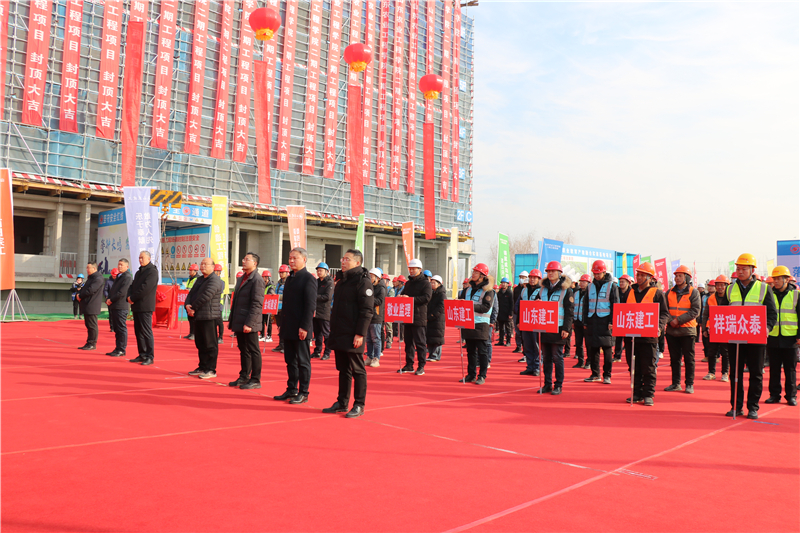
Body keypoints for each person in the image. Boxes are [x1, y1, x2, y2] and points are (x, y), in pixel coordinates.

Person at [722, 253, 778, 419]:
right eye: (738, 268)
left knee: (756, 373)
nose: (740, 272)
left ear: (752, 270)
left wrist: (767, 328)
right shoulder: (729, 289)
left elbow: (772, 314)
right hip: (735, 337)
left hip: (756, 337)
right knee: (735, 374)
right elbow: (722, 312)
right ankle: (736, 406)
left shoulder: (764, 288)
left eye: (744, 269)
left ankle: (753, 407)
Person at [322, 249, 374, 418]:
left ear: (357, 263)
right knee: (343, 369)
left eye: (347, 259)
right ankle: (342, 402)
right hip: (340, 332)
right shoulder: (342, 280)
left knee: (358, 370)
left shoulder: (363, 282)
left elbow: (367, 310)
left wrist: (360, 333)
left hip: (353, 334)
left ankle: (359, 404)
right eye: (342, 258)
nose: (343, 262)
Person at [273, 248, 316, 404]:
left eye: (295, 258)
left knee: (303, 361)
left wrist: (304, 327)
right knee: (290, 360)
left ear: (304, 259)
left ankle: (304, 392)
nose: (291, 261)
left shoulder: (308, 278)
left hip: (300, 328)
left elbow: (310, 305)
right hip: (288, 326)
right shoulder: (290, 278)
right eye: (290, 258)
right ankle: (292, 389)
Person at [625, 262, 671, 406]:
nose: (639, 277)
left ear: (650, 278)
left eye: (642, 275)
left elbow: (665, 314)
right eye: (638, 274)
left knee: (648, 367)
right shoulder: (630, 292)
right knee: (634, 366)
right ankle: (636, 393)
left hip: (649, 337)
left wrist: (659, 326)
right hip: (631, 336)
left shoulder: (657, 293)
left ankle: (648, 394)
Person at [228, 252, 266, 389]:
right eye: (243, 259)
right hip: (239, 319)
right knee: (243, 350)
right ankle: (244, 376)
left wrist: (249, 323)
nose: (243, 261)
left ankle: (255, 379)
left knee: (253, 350)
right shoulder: (242, 278)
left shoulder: (257, 279)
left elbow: (257, 304)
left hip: (250, 322)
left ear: (255, 263)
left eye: (247, 259)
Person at [535, 261, 574, 395]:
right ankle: (547, 384)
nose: (550, 273)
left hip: (559, 328)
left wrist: (566, 329)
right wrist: (537, 303)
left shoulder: (566, 289)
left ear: (559, 273)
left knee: (557, 357)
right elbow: (534, 306)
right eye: (548, 271)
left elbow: (569, 311)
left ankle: (558, 385)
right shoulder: (542, 289)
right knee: (546, 358)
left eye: (553, 271)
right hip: (544, 328)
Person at [664, 265, 701, 394]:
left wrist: (678, 321)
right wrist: (671, 321)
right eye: (676, 276)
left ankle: (689, 384)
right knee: (674, 359)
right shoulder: (669, 292)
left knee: (689, 359)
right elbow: (664, 309)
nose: (677, 278)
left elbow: (695, 311)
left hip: (687, 330)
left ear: (687, 278)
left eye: (680, 276)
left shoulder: (693, 292)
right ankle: (676, 383)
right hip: (671, 331)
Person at [185, 258, 224, 379]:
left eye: (205, 264)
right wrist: (187, 304)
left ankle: (211, 369)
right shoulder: (200, 279)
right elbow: (191, 294)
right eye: (201, 264)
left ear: (213, 267)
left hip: (209, 316)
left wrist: (193, 308)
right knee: (200, 343)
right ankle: (202, 366)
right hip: (198, 315)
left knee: (210, 344)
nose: (202, 266)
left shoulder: (215, 280)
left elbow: (206, 296)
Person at [765, 266, 798, 406]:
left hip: (790, 337)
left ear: (787, 279)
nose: (776, 281)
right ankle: (774, 395)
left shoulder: (796, 295)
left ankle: (791, 396)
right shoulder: (769, 294)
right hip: (773, 336)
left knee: (790, 369)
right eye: (774, 279)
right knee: (774, 368)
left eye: (779, 278)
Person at [583, 260, 619, 385]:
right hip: (592, 321)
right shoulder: (590, 286)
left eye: (599, 273)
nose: (597, 276)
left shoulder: (612, 286)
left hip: (606, 322)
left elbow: (615, 305)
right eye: (595, 273)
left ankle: (607, 375)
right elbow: (585, 305)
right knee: (593, 349)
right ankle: (595, 374)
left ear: (604, 272)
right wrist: (585, 321)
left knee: (607, 349)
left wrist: (612, 321)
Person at [459, 264, 495, 384]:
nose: (473, 274)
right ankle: (471, 374)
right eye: (473, 271)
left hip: (481, 325)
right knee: (470, 351)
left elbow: (485, 307)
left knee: (482, 352)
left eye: (476, 272)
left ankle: (482, 376)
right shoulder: (467, 290)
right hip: (468, 323)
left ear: (482, 276)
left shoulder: (489, 291)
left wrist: (469, 306)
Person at [397, 260, 431, 375]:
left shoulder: (425, 283)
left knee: (420, 343)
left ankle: (421, 366)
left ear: (419, 269)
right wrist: (401, 297)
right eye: (410, 269)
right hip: (407, 316)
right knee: (408, 343)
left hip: (419, 317)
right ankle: (409, 364)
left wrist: (410, 299)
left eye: (413, 269)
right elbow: (405, 295)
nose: (411, 271)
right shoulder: (408, 283)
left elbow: (426, 298)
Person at [126, 251, 159, 365]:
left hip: (145, 306)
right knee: (138, 331)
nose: (140, 260)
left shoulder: (152, 271)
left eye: (142, 258)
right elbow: (132, 286)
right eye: (139, 258)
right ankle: (142, 354)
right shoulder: (138, 272)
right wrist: (129, 297)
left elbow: (145, 289)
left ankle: (150, 356)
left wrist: (133, 298)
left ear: (149, 258)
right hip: (136, 305)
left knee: (146, 331)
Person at [702, 275, 731, 382]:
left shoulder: (731, 298)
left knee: (725, 352)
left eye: (722, 285)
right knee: (712, 352)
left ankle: (725, 373)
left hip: (726, 328)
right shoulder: (711, 298)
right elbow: (705, 314)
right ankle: (711, 372)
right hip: (713, 328)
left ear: (727, 286)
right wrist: (704, 329)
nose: (720, 287)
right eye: (718, 285)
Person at [517, 269, 542, 376]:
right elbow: (519, 306)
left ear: (539, 279)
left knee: (536, 346)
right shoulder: (524, 290)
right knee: (527, 345)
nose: (532, 279)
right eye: (531, 277)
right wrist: (518, 321)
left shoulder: (542, 291)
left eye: (535, 278)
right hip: (525, 321)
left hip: (537, 322)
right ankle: (530, 367)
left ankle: (537, 367)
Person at [105, 259, 132, 357]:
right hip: (114, 306)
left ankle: (121, 349)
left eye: (122, 265)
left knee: (121, 328)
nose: (119, 266)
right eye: (119, 264)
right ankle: (117, 348)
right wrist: (108, 298)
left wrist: (111, 299)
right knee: (116, 328)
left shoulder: (127, 277)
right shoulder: (119, 276)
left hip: (121, 306)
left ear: (127, 267)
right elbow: (112, 290)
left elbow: (122, 292)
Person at [77, 262, 104, 350]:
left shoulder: (98, 278)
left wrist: (80, 296)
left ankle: (92, 343)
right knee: (89, 325)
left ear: (94, 268)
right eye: (87, 268)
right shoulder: (91, 278)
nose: (87, 270)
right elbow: (85, 289)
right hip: (87, 304)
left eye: (88, 268)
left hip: (92, 304)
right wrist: (79, 294)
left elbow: (90, 290)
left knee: (92, 325)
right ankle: (89, 342)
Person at [312, 262, 334, 360]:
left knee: (326, 333)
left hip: (324, 311)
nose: (319, 272)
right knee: (317, 333)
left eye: (321, 270)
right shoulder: (316, 282)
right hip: (315, 310)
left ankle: (327, 352)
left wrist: (314, 297)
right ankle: (317, 351)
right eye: (318, 270)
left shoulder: (329, 282)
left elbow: (327, 297)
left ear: (326, 271)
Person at [366, 268, 386, 367]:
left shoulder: (381, 288)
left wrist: (369, 300)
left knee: (376, 338)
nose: (370, 278)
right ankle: (369, 357)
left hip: (376, 316)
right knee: (368, 339)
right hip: (368, 316)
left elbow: (379, 301)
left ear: (377, 278)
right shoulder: (369, 287)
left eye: (372, 276)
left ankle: (376, 358)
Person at [613, 274, 634, 363]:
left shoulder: (632, 292)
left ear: (628, 283)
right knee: (618, 338)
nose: (621, 283)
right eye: (620, 282)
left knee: (629, 339)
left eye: (623, 282)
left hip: (629, 317)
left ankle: (631, 356)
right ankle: (617, 356)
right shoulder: (616, 291)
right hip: (619, 317)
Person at [572, 274, 591, 369]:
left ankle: (589, 362)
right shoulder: (576, 293)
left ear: (588, 283)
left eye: (584, 282)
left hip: (586, 322)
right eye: (581, 281)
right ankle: (580, 361)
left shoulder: (591, 293)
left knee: (588, 344)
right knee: (578, 343)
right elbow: (572, 307)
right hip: (577, 321)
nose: (582, 283)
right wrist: (572, 321)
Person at [426, 274, 446, 362]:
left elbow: (441, 307)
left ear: (439, 284)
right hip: (430, 318)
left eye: (434, 283)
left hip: (438, 319)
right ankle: (431, 354)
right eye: (431, 283)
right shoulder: (431, 293)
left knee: (437, 337)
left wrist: (432, 316)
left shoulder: (442, 294)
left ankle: (436, 355)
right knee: (430, 337)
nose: (432, 284)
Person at [272, 264, 290, 353]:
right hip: (277, 308)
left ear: (287, 273)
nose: (281, 274)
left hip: (285, 308)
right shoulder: (279, 282)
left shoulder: (289, 282)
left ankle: (285, 346)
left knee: (284, 328)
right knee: (279, 327)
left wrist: (277, 296)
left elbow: (288, 295)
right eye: (280, 272)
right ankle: (281, 344)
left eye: (283, 272)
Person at [182, 264, 200, 340]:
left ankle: (194, 334)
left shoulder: (198, 279)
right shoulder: (190, 279)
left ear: (195, 271)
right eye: (189, 270)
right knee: (190, 318)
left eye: (191, 270)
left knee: (194, 319)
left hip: (194, 300)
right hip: (189, 299)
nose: (189, 272)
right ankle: (191, 333)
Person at [512, 271, 528, 354]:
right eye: (520, 277)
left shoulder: (528, 290)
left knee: (525, 333)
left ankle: (525, 348)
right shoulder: (516, 289)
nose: (521, 279)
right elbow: (514, 301)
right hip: (517, 313)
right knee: (517, 331)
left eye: (523, 277)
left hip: (526, 313)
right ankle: (518, 346)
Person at [495, 277, 514, 346]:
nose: (503, 284)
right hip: (500, 313)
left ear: (507, 284)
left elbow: (512, 304)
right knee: (501, 328)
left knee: (508, 328)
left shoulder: (510, 293)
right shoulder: (499, 293)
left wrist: (510, 313)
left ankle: (508, 341)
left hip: (507, 313)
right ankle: (501, 341)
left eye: (505, 283)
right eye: (502, 283)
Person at [260, 269, 276, 342]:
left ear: (267, 277)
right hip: (262, 305)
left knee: (268, 321)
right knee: (261, 321)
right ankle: (262, 335)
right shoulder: (262, 285)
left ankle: (269, 336)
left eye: (263, 277)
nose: (262, 278)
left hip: (268, 305)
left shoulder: (271, 286)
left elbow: (271, 293)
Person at [213, 263, 226, 344]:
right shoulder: (211, 281)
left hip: (219, 304)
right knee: (213, 322)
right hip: (212, 305)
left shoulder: (221, 282)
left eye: (215, 271)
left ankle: (220, 337)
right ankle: (214, 337)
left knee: (219, 322)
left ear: (219, 272)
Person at [382, 273, 394, 351]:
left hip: (388, 310)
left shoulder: (390, 290)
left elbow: (390, 300)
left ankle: (389, 341)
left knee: (388, 327)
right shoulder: (381, 288)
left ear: (387, 281)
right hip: (381, 310)